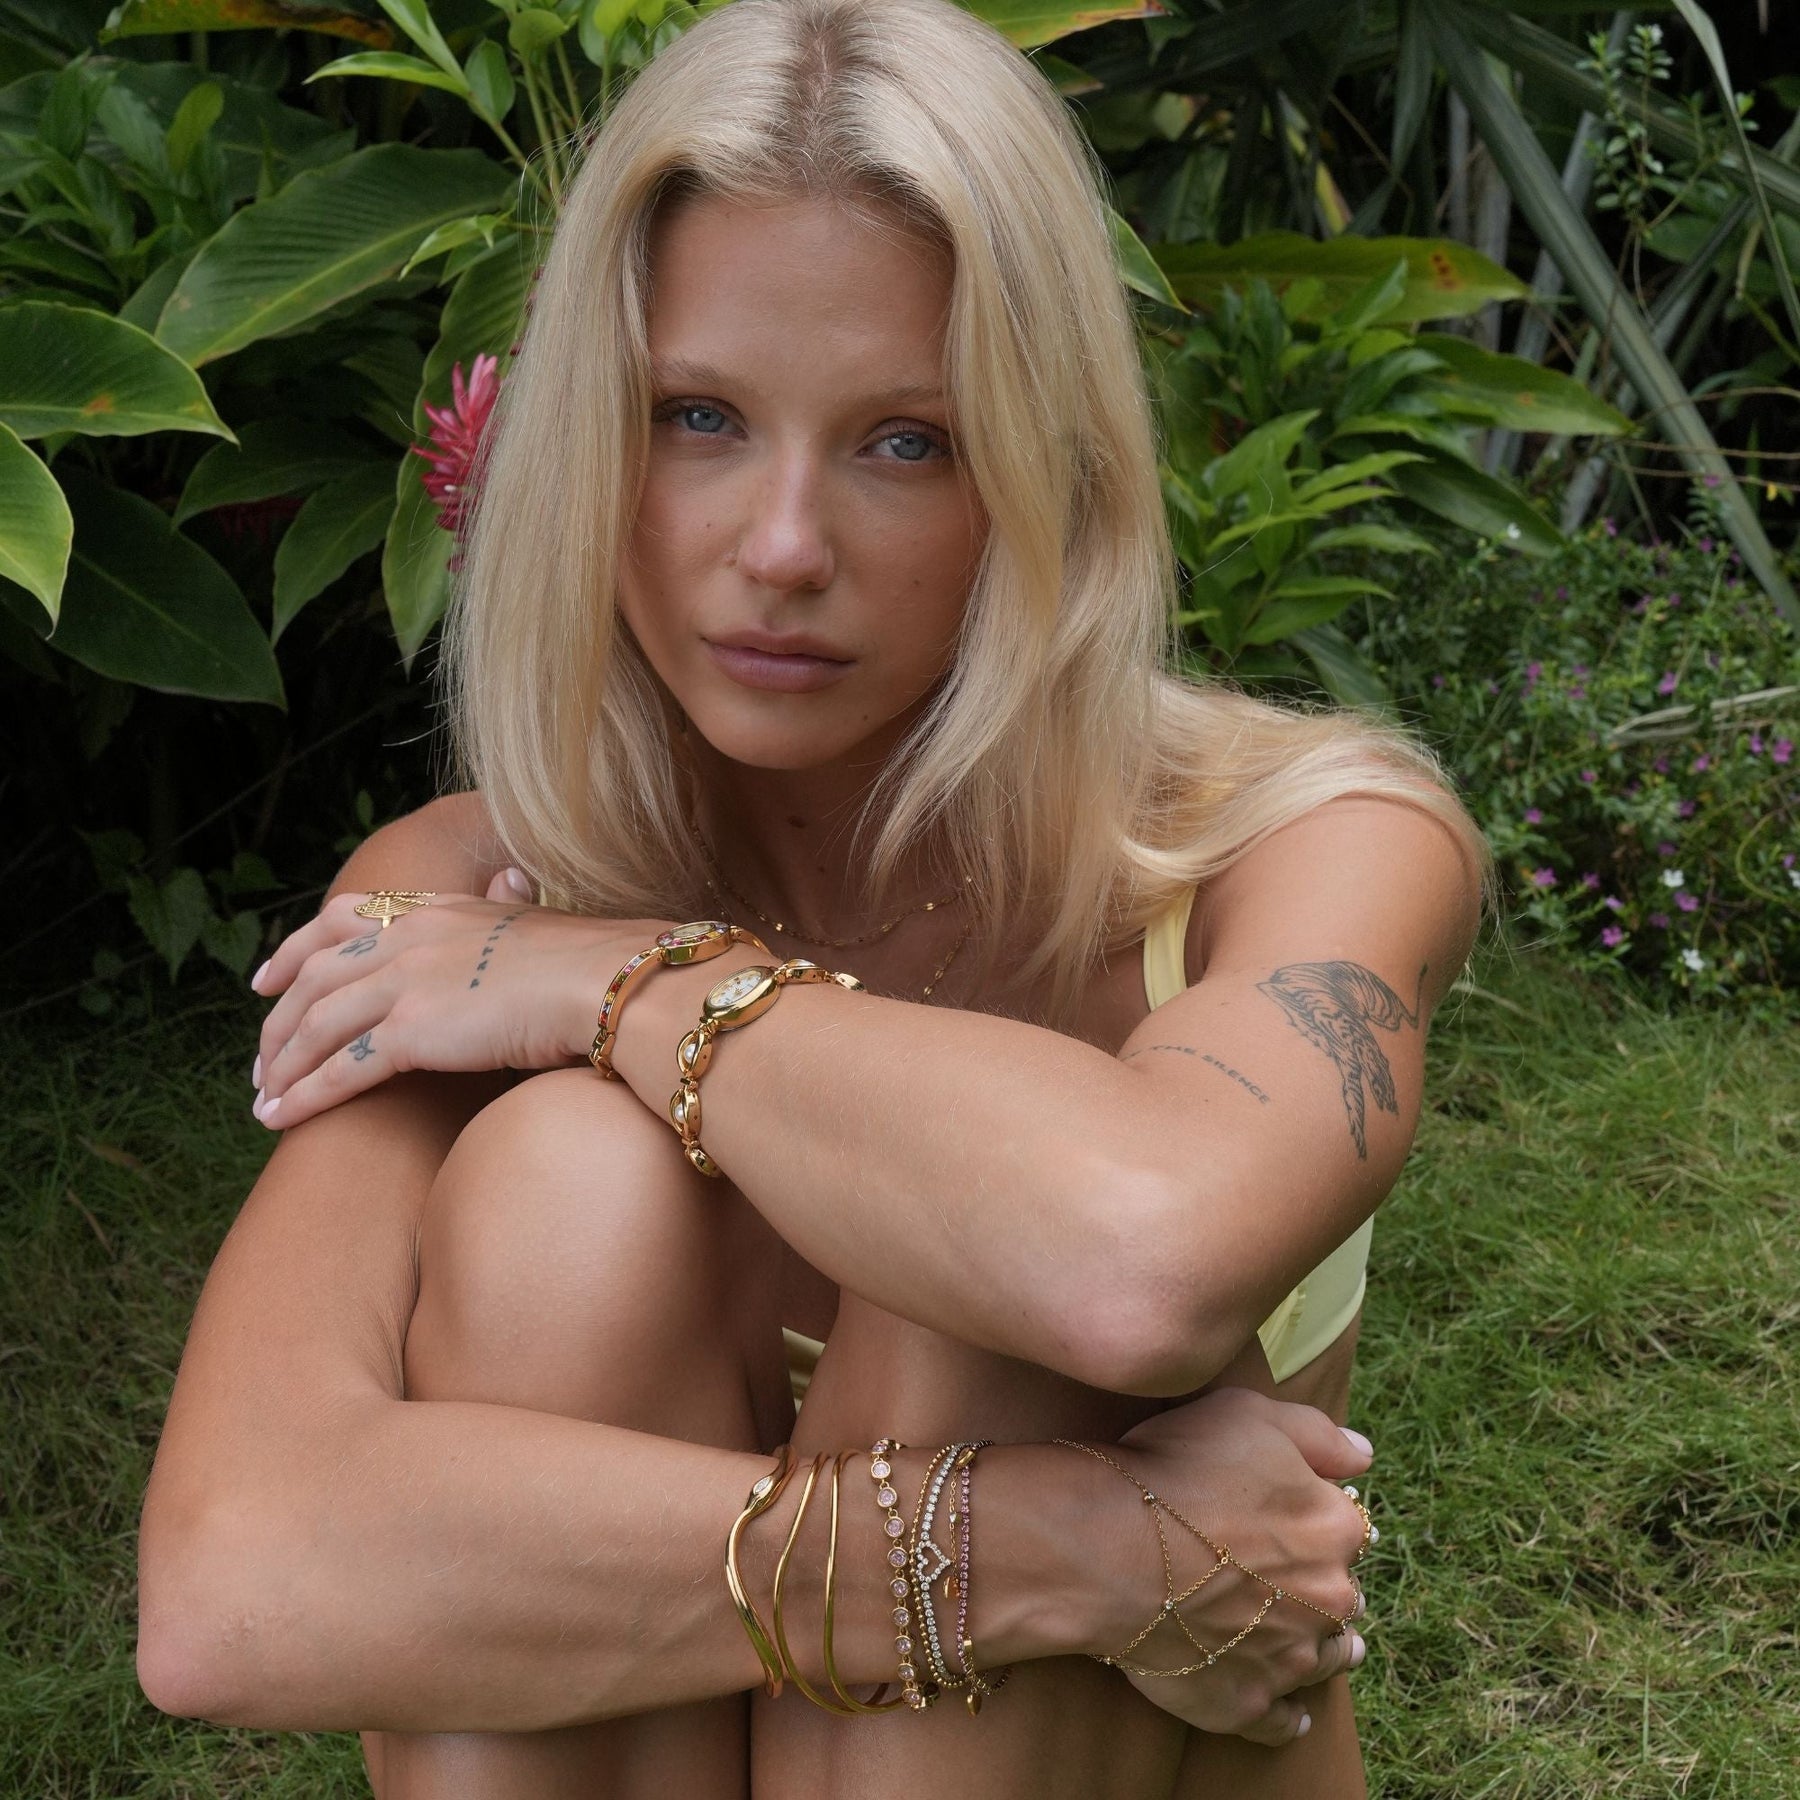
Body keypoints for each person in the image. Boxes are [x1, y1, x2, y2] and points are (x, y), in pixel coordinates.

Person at [134, 0, 1486, 1793]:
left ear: (1052, 468)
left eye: (904, 440)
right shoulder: (462, 897)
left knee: (977, 1225)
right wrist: (1055, 1548)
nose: (779, 548)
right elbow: (230, 1591)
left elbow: (1130, 1268)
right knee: (562, 1186)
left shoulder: (1306, 841)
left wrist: (632, 988)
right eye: (697, 417)